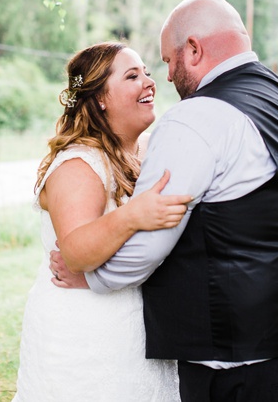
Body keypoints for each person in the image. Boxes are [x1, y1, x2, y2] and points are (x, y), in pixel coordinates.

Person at [52, 0, 278, 402]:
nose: (165, 78)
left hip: (242, 358)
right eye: (133, 75)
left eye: (166, 62)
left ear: (193, 49)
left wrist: (92, 276)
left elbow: (148, 249)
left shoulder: (196, 118)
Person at [12, 42, 191, 402]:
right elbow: (75, 253)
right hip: (86, 336)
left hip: (138, 327)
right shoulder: (79, 165)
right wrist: (133, 215)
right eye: (132, 76)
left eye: (146, 73)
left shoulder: (151, 150)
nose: (149, 82)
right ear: (101, 99)